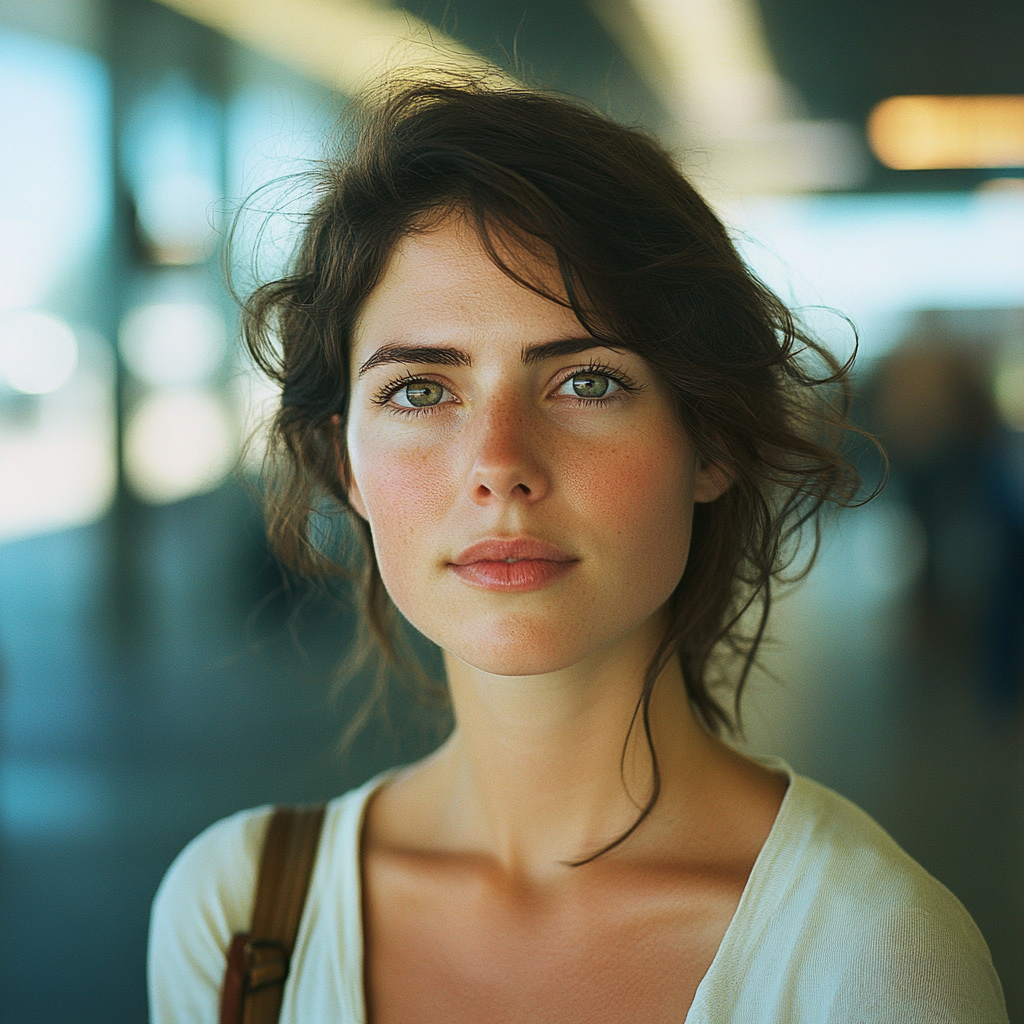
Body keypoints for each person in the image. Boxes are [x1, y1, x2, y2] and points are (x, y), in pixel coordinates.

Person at [148, 74, 1008, 1023]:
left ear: (710, 441)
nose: (500, 467)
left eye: (587, 382)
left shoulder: (873, 957)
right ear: (342, 463)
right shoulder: (240, 916)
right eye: (420, 391)